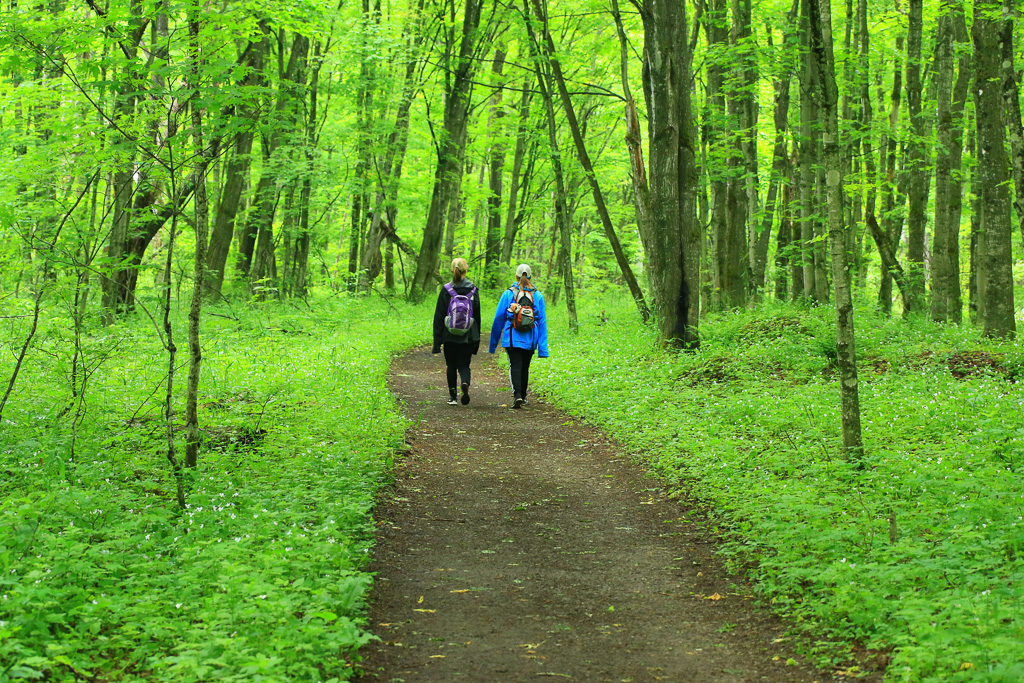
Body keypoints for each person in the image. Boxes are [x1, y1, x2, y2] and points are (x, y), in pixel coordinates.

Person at [488, 263, 548, 408]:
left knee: (514, 365)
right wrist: (542, 348)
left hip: (512, 338)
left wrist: (493, 344)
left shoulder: (509, 293)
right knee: (525, 367)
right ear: (531, 276)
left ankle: (518, 395)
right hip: (531, 338)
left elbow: (498, 318)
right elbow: (542, 321)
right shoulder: (537, 295)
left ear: (516, 276)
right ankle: (524, 396)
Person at [432, 258, 482, 405]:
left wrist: (437, 341)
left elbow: (439, 316)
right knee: (464, 365)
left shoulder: (446, 290)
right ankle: (465, 382)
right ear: (465, 270)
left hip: (449, 335)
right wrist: (476, 340)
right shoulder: (473, 290)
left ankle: (452, 397)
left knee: (451, 365)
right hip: (467, 336)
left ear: (452, 270)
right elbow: (477, 317)